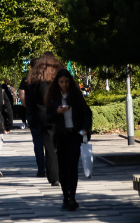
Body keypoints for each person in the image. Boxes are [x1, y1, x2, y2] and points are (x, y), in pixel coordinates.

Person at [46, 69, 91, 211]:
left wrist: (84, 129)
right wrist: (57, 112)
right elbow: (47, 118)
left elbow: (86, 113)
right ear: (57, 83)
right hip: (61, 135)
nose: (64, 85)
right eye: (61, 82)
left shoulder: (76, 96)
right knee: (63, 167)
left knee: (72, 167)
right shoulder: (53, 97)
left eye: (66, 82)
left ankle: (72, 197)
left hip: (74, 135)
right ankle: (66, 196)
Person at [26, 52, 64, 185]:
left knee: (48, 146)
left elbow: (31, 99)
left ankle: (54, 176)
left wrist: (31, 114)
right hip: (60, 113)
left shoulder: (37, 77)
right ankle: (61, 173)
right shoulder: (59, 74)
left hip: (44, 115)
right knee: (59, 144)